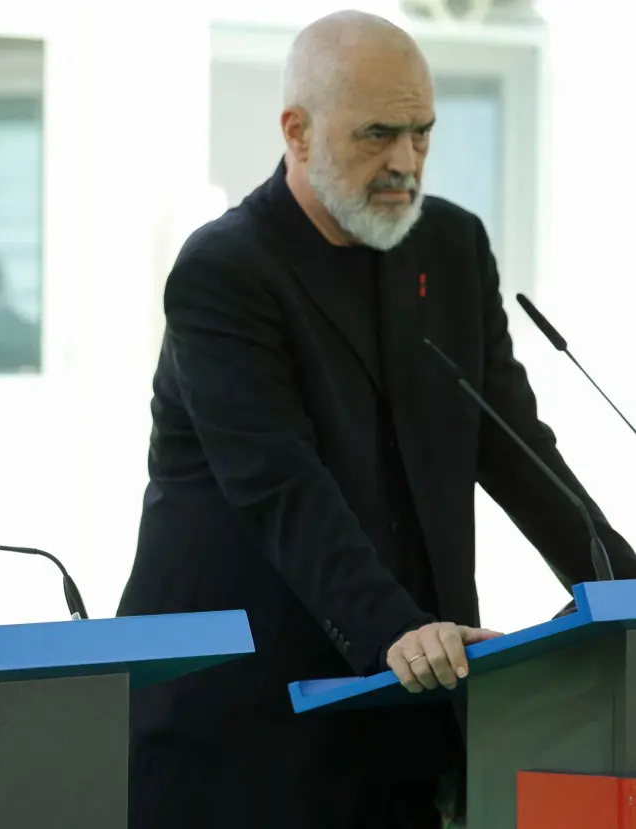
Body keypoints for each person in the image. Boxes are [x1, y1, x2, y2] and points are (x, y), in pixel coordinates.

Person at [116, 10, 636, 829]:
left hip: (402, 724)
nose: (406, 163)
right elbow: (281, 486)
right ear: (296, 130)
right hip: (238, 733)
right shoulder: (225, 271)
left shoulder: (453, 248)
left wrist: (622, 587)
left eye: (422, 134)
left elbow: (518, 454)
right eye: (378, 136)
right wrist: (397, 630)